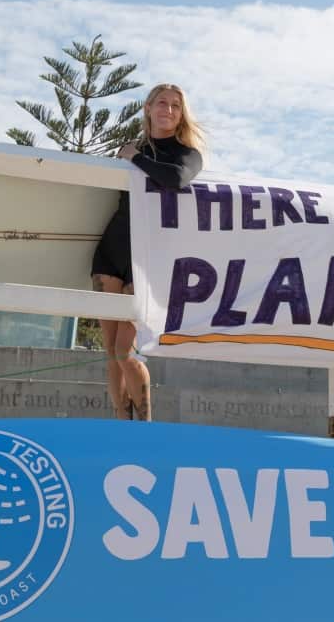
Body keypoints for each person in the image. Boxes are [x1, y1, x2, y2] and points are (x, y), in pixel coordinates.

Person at [91, 84, 204, 421]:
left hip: (148, 257)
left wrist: (135, 158)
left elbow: (176, 179)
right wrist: (132, 154)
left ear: (182, 114)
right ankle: (120, 423)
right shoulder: (131, 147)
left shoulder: (187, 153)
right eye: (162, 103)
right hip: (112, 249)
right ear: (149, 108)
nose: (168, 110)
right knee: (110, 352)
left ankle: (145, 424)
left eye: (176, 106)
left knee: (125, 350)